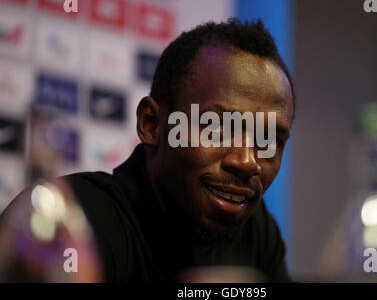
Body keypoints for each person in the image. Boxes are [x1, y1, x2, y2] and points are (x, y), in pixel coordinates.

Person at [0, 18, 295, 282]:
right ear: (152, 124)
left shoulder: (255, 231)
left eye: (268, 140)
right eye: (218, 127)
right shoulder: (73, 223)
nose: (247, 162)